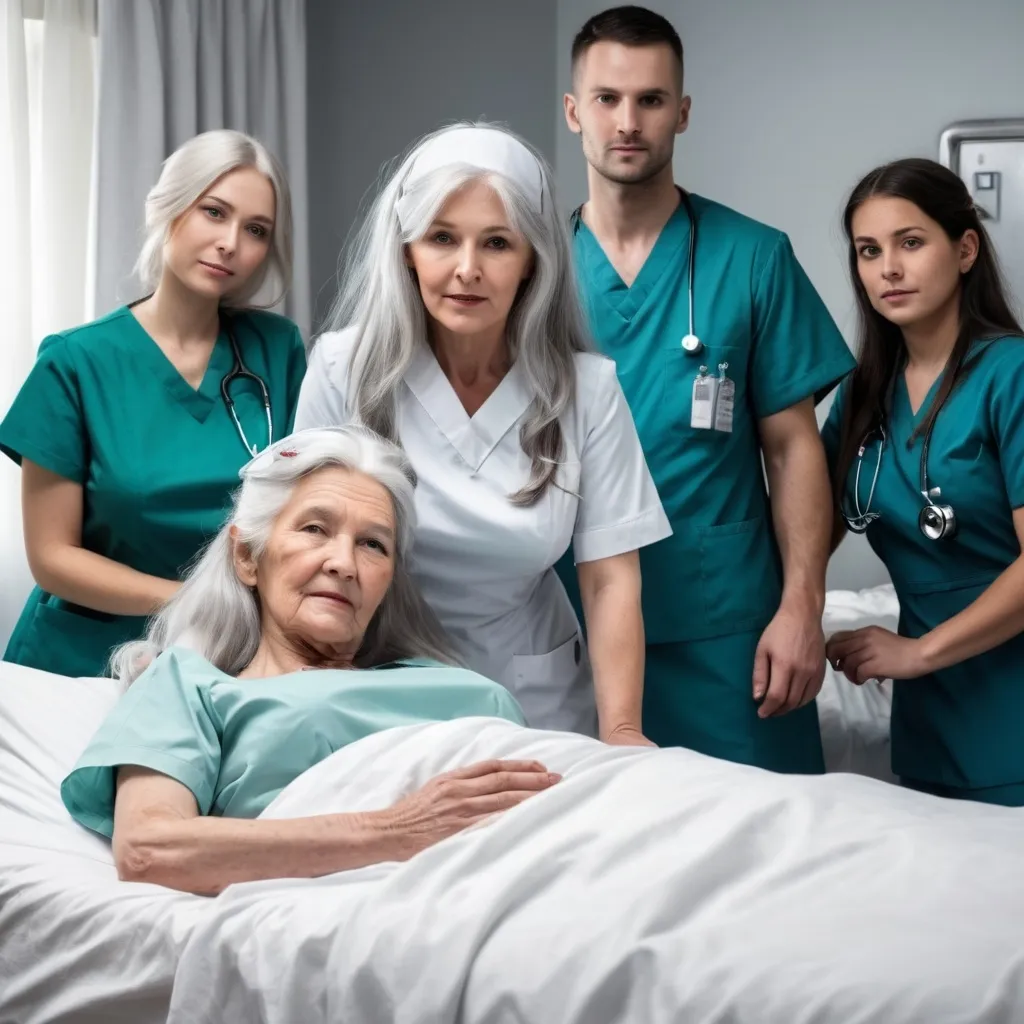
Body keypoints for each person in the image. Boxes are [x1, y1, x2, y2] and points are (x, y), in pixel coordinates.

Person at [59, 426, 557, 896]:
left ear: (388, 582)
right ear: (248, 558)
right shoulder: (188, 684)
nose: (343, 563)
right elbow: (149, 851)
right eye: (316, 529)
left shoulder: (467, 691)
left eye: (372, 544)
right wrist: (395, 830)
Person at [295, 122, 671, 743]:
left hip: (535, 702)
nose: (467, 269)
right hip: (372, 682)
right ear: (406, 251)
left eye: (497, 243)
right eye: (442, 238)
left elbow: (609, 580)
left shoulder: (588, 392)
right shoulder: (343, 369)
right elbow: (299, 547)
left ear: (532, 262)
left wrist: (623, 729)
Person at [557, 6, 856, 773]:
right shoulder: (535, 274)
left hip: (731, 634)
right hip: (571, 630)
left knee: (773, 855)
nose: (629, 121)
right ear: (573, 112)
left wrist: (802, 608)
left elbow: (793, 452)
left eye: (652, 100)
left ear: (682, 113)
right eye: (608, 99)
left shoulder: (753, 258)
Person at [0, 130, 308, 679]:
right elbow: (52, 558)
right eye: (214, 212)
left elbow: (302, 508)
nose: (231, 242)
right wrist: (195, 600)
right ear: (168, 208)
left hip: (228, 656)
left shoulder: (276, 351)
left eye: (255, 229)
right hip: (81, 663)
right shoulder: (75, 362)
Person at [823, 158, 1024, 807]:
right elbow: (805, 527)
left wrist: (916, 654)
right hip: (932, 726)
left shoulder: (1010, 374)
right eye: (868, 250)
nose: (889, 269)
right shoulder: (861, 394)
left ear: (964, 249)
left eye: (911, 243)